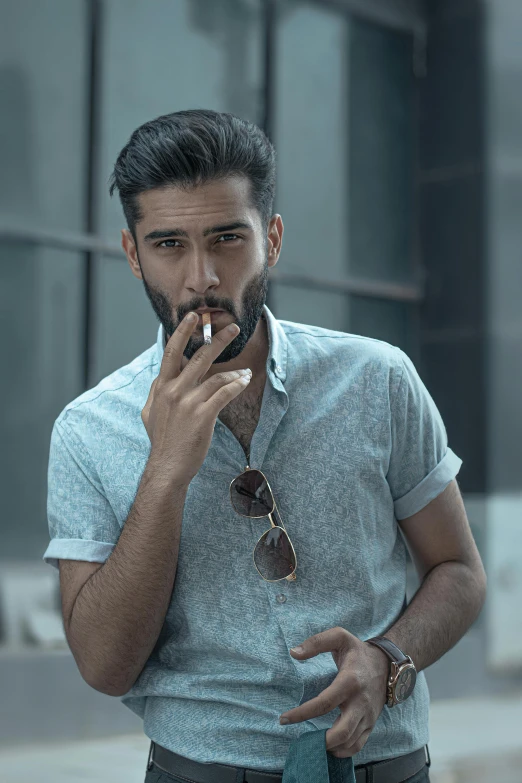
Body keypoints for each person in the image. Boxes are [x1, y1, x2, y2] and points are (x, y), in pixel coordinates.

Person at [43, 109, 487, 783]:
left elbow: (459, 570)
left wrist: (388, 658)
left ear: (271, 239)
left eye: (227, 238)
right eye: (168, 245)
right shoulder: (87, 429)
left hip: (384, 765)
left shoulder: (378, 379)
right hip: (199, 769)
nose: (202, 277)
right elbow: (104, 666)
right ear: (132, 254)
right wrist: (164, 473)